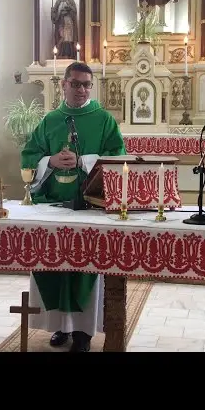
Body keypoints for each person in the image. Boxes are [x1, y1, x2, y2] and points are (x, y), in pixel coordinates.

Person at [20, 61, 126, 352]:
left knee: (85, 267)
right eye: (75, 83)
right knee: (53, 263)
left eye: (86, 84)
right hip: (52, 205)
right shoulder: (50, 120)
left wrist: (83, 161)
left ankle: (83, 332)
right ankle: (59, 327)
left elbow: (118, 157)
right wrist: (49, 162)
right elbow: (30, 154)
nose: (81, 89)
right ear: (63, 85)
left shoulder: (104, 119)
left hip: (89, 204)